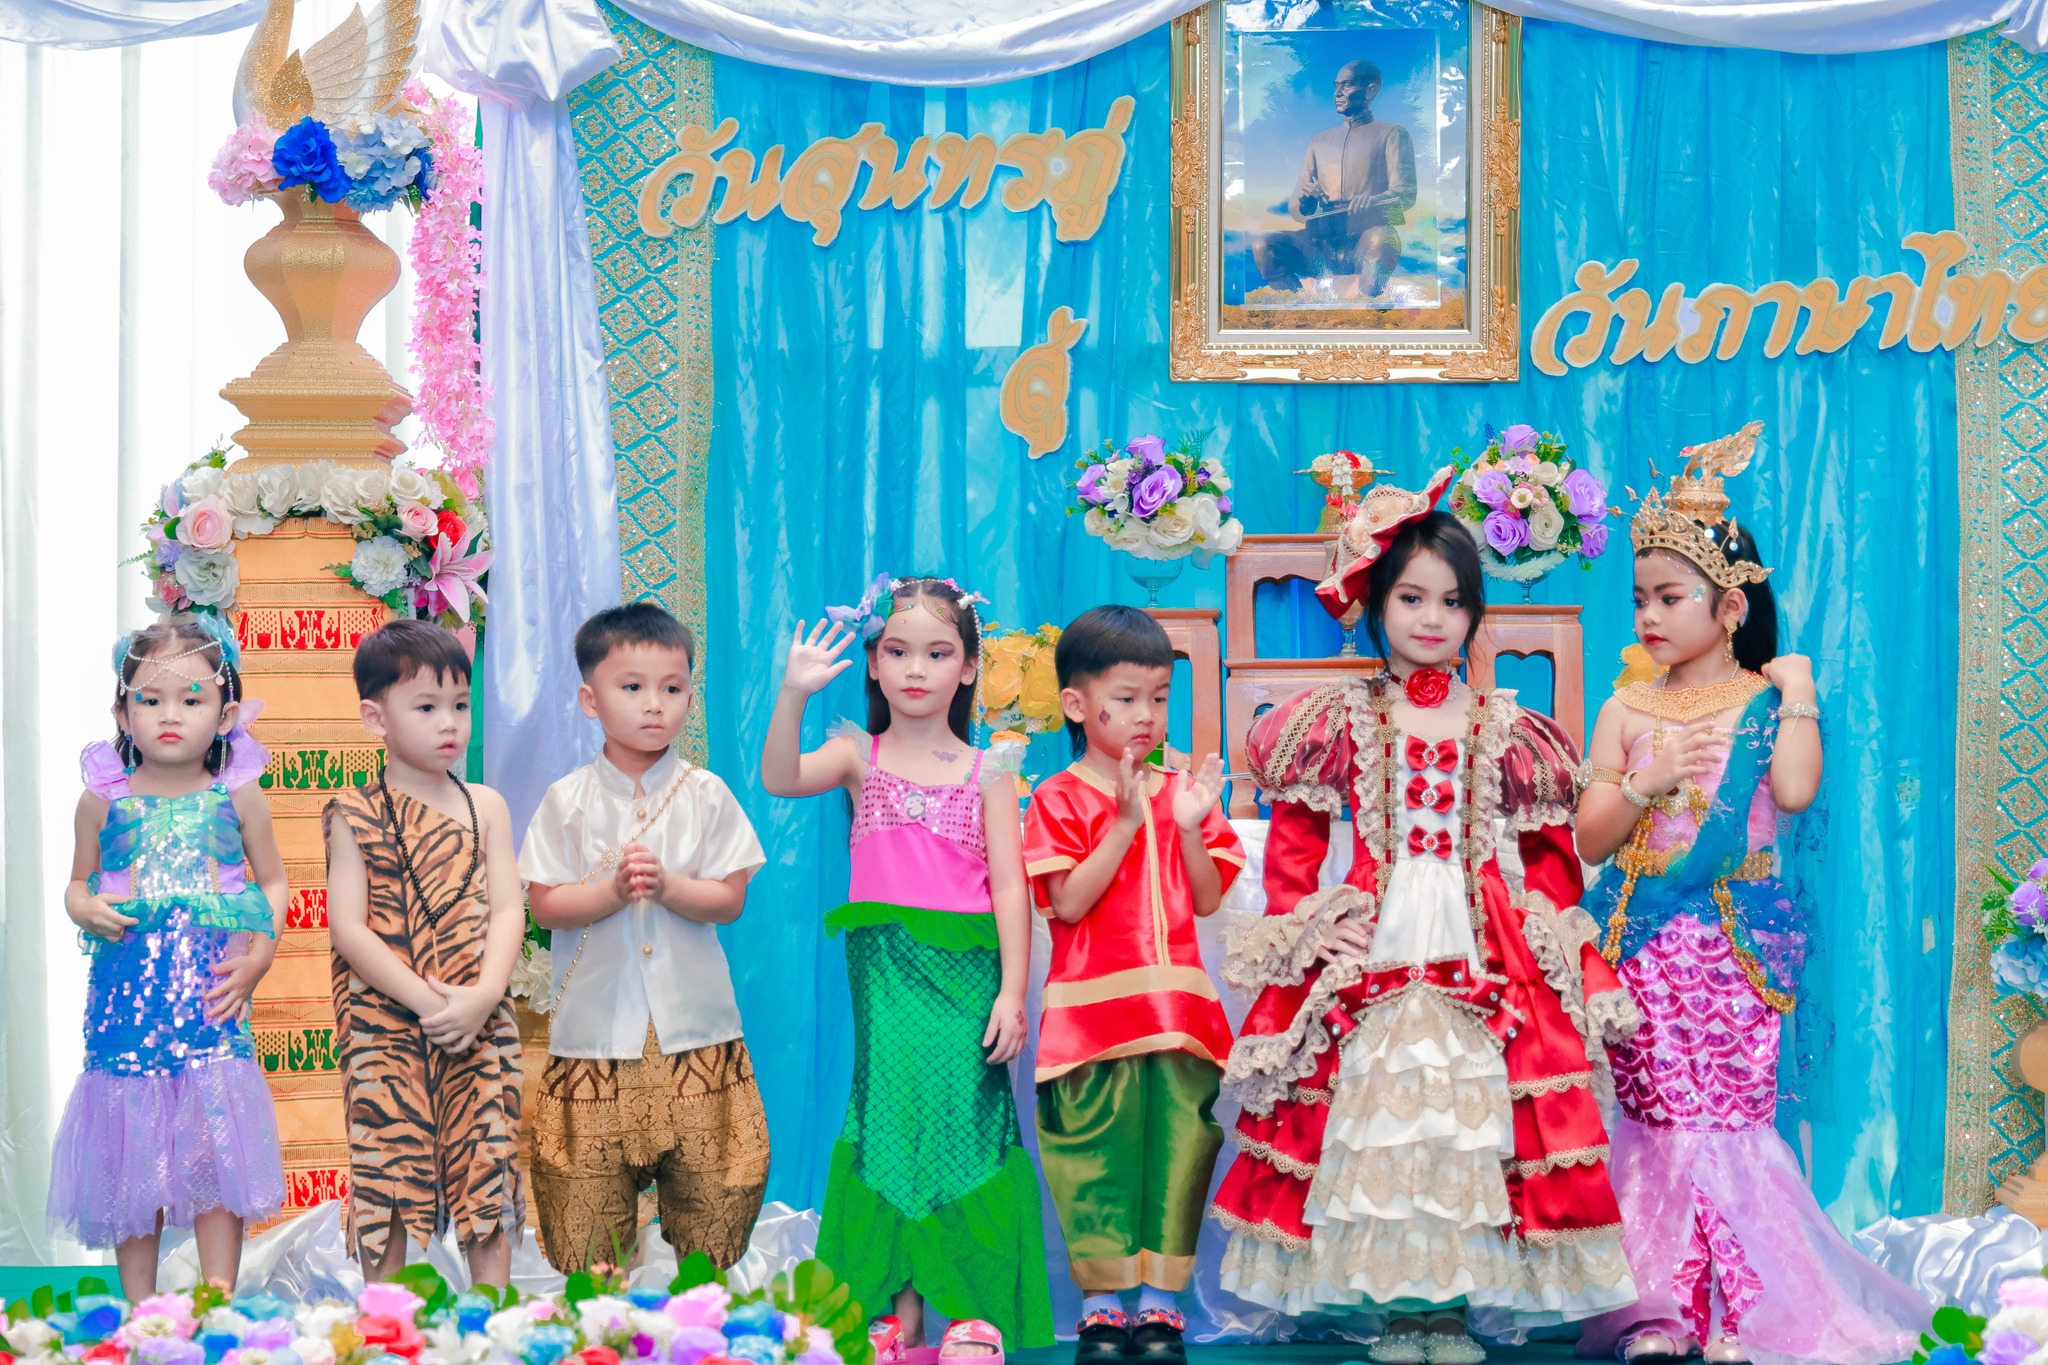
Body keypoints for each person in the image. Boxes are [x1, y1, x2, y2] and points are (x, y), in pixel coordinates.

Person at [1209, 472, 1640, 1365]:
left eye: (1452, 600)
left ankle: (1451, 1309)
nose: (1433, 618)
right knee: (1383, 1116)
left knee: (1467, 1120)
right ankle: (1400, 1307)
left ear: (1475, 613)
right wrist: (1308, 923)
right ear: (1376, 603)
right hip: (1378, 935)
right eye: (1412, 597)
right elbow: (1294, 845)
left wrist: (1555, 932)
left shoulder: (1508, 725)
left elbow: (1550, 854)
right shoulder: (1337, 718)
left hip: (1484, 942)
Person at [1572, 424, 1928, 1365]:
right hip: (1645, 945)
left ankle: (1741, 1307)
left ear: (1730, 606)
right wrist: (1643, 782)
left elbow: (1797, 790)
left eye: (1671, 596)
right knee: (1656, 1123)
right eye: (1640, 597)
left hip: (1738, 951)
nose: (1650, 614)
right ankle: (1658, 1309)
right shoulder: (1624, 706)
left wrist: (1798, 685)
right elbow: (1590, 838)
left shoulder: (1767, 701)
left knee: (1731, 1123)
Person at [762, 574, 1052, 1355]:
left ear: (968, 666)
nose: (915, 668)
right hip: (886, 970)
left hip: (970, 977)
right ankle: (901, 1314)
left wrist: (1013, 992)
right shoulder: (858, 753)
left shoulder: (991, 768)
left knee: (968, 1127)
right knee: (890, 1124)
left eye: (937, 652)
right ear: (874, 662)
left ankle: (973, 1310)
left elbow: (1010, 884)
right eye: (896, 650)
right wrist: (793, 693)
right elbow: (780, 777)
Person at [1021, 606, 1243, 1365]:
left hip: (1177, 1012)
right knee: (1093, 1155)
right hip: (1091, 1018)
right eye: (1126, 698)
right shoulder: (1058, 797)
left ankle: (1160, 1305)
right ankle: (1101, 1306)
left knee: (1179, 1150)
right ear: (1077, 705)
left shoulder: (1181, 789)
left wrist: (1189, 824)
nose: (1146, 715)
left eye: (1159, 697)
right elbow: (1068, 904)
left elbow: (1207, 898)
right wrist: (1122, 822)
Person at [520, 602, 771, 1273]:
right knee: (587, 1220)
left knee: (714, 1200)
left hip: (697, 1038)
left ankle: (699, 1316)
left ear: (691, 694)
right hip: (595, 1041)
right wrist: (609, 894)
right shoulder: (567, 800)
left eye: (673, 687)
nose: (655, 704)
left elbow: (730, 899)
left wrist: (668, 887)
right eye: (632, 687)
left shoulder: (706, 794)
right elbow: (546, 904)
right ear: (590, 700)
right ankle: (600, 1318)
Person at [47, 614, 287, 1298]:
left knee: (214, 1147)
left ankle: (217, 1296)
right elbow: (76, 883)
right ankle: (141, 1307)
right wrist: (83, 905)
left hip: (210, 998)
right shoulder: (102, 800)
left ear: (226, 713)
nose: (170, 715)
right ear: (122, 713)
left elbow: (274, 880)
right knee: (133, 1149)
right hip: (126, 1002)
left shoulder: (236, 794)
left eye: (191, 698)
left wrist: (260, 957)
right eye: (150, 700)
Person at [324, 620, 526, 1285]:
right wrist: (429, 1003)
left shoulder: (486, 805)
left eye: (460, 705)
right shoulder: (353, 811)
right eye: (427, 706)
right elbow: (349, 928)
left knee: (487, 1161)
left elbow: (508, 908)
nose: (450, 723)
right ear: (375, 718)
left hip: (479, 1016)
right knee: (389, 1165)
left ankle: (491, 1317)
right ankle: (387, 1320)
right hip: (387, 1024)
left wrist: (483, 996)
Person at [1253, 58, 1417, 300]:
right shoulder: (1319, 142)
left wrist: (1375, 201)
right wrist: (1306, 201)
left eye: (1347, 85)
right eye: (1336, 85)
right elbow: (1296, 208)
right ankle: (1297, 305)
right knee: (1265, 246)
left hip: (1366, 238)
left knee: (1383, 240)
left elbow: (1407, 196)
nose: (1337, 93)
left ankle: (1366, 306)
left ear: (1371, 90)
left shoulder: (1392, 135)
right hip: (1321, 244)